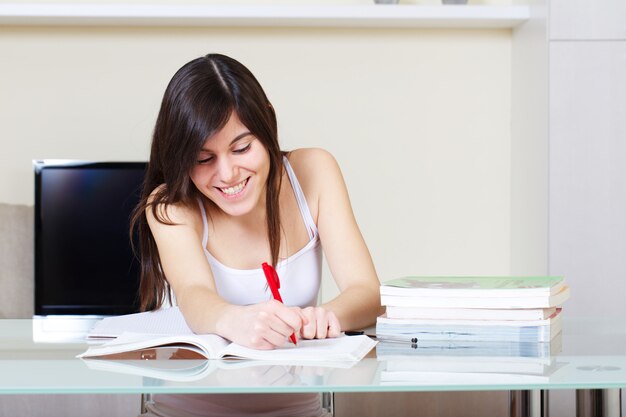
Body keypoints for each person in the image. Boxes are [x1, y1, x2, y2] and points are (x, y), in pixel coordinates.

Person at [131, 53, 382, 417]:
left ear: (267, 121)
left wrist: (325, 316)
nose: (228, 173)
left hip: (300, 410)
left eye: (242, 148)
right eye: (204, 159)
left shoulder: (314, 171)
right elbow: (193, 294)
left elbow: (367, 292)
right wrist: (236, 320)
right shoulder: (170, 205)